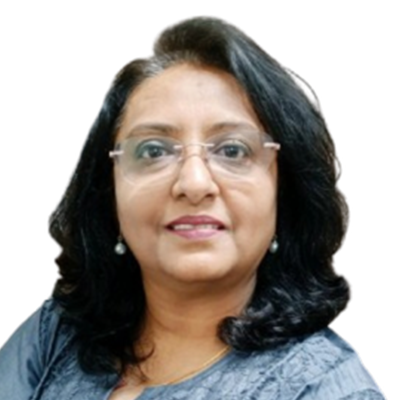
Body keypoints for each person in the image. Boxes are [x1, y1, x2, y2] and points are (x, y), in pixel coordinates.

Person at [0, 15, 385, 400]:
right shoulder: (57, 332)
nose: (194, 184)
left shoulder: (325, 390)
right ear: (108, 190)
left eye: (233, 150)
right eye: (153, 151)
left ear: (285, 194)